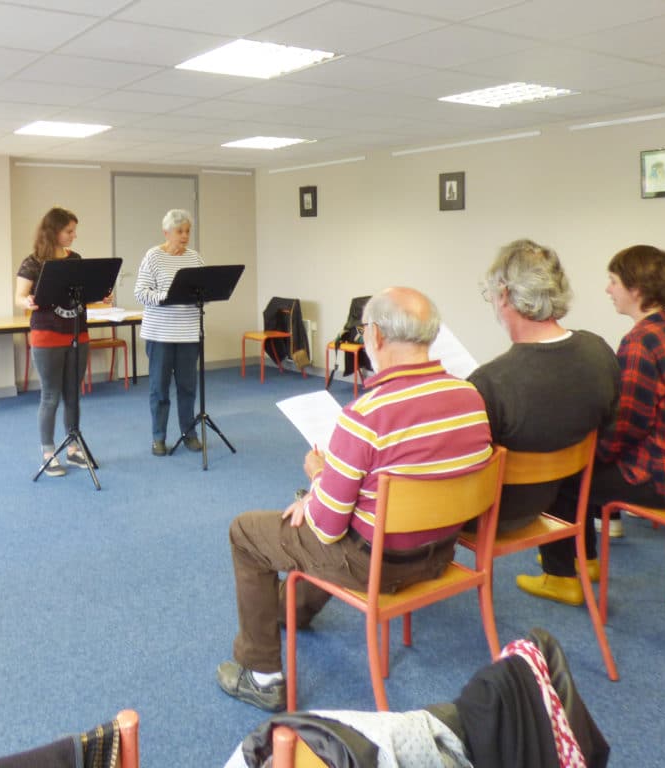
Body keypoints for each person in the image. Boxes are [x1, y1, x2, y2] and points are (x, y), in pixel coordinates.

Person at [216, 287, 494, 712]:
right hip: (440, 554)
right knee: (322, 506)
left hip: (377, 564)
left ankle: (260, 675)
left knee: (248, 532)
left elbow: (327, 529)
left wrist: (318, 478)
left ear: (376, 336)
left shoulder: (365, 415)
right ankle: (293, 611)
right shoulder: (471, 398)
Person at [519, 245, 665, 605]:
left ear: (636, 288)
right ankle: (584, 560)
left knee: (562, 477)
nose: (608, 289)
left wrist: (584, 454)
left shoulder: (641, 342)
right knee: (585, 469)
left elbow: (627, 426)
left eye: (613, 281)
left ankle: (561, 576)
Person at [467, 240, 619, 595]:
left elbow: (467, 467)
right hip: (572, 491)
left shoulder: (490, 382)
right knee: (566, 446)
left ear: (505, 295)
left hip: (503, 513)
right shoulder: (598, 349)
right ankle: (581, 560)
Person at [15, 207, 91, 476]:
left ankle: (73, 448)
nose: (73, 235)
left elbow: (82, 294)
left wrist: (99, 295)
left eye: (74, 231)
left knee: (73, 394)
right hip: (47, 335)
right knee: (50, 396)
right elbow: (19, 297)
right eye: (69, 231)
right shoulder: (33, 262)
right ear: (54, 231)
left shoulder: (76, 259)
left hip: (78, 333)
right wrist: (26, 301)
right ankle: (48, 454)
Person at [134, 209, 203, 456]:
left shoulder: (195, 258)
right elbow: (141, 292)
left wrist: (203, 295)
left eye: (187, 231)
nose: (184, 236)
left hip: (188, 334)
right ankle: (158, 438)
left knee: (187, 387)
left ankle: (189, 434)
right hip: (160, 334)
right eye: (179, 231)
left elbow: (204, 290)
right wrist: (167, 297)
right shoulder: (153, 256)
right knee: (159, 388)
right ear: (166, 233)